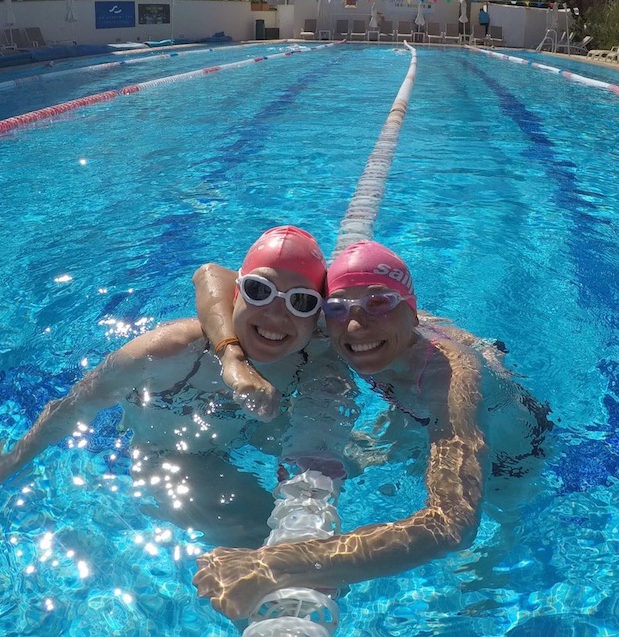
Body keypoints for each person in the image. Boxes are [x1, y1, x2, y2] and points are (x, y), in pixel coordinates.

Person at [0, 226, 358, 551]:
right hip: (166, 455)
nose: (276, 314)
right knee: (255, 536)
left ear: (317, 315)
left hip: (247, 433)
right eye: (259, 291)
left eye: (300, 301)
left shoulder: (313, 357)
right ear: (237, 294)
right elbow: (54, 421)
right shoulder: (164, 355)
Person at [192, 240, 550, 620]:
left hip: (511, 457)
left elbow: (453, 525)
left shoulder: (452, 377)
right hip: (417, 415)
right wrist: (232, 357)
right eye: (337, 307)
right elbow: (211, 274)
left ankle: (489, 585)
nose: (357, 326)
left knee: (493, 545)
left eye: (379, 303)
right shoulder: (345, 324)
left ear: (411, 313)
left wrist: (276, 565)